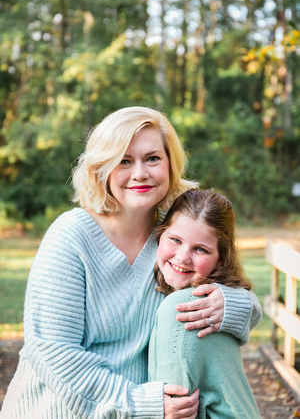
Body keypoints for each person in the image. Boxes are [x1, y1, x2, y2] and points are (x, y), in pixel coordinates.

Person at [1, 107, 261, 419]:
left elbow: (234, 287)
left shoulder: (173, 238)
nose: (140, 173)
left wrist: (231, 304)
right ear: (102, 168)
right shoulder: (70, 238)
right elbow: (55, 354)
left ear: (170, 164)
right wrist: (139, 402)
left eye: (152, 158)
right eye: (124, 160)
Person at [148, 188, 261, 418]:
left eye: (200, 249)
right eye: (176, 240)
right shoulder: (216, 302)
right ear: (160, 235)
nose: (182, 257)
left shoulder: (183, 308)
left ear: (221, 261)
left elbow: (176, 409)